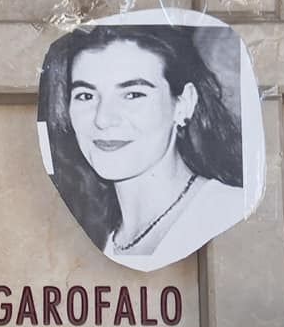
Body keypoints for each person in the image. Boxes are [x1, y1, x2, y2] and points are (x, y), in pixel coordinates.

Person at [38, 24, 245, 261]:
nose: (103, 119)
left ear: (184, 104)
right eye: (86, 96)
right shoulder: (94, 237)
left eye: (133, 94)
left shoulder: (231, 214)